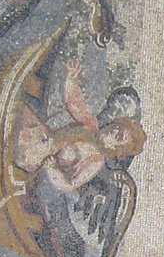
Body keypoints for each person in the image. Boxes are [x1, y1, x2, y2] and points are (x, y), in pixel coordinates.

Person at [14, 59, 147, 193]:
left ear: (115, 148)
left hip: (36, 154)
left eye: (118, 136)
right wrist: (72, 79)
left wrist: (53, 168)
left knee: (15, 135)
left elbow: (69, 184)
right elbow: (74, 103)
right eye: (116, 127)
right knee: (17, 106)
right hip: (38, 131)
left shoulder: (95, 160)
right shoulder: (90, 124)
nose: (112, 131)